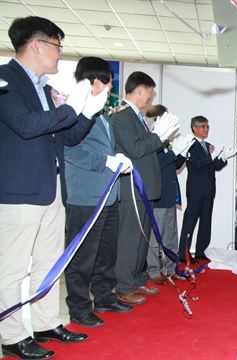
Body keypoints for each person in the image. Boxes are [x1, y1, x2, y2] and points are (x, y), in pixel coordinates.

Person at [0, 16, 107, 359]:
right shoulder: (5, 80)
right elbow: (27, 126)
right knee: (12, 268)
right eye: (57, 46)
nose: (60, 55)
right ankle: (11, 335)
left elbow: (67, 137)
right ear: (37, 44)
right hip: (19, 192)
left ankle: (46, 323)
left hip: (50, 188)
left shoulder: (45, 89)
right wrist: (73, 106)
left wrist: (87, 113)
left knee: (50, 264)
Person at [64, 57, 135, 328]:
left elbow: (104, 148)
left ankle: (104, 296)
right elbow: (71, 150)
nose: (109, 87)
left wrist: (117, 157)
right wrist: (104, 161)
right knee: (83, 256)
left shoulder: (103, 115)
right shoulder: (75, 111)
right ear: (94, 81)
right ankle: (79, 308)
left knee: (106, 252)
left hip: (109, 194)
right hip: (86, 195)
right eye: (107, 81)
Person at [112, 71, 180, 306]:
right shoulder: (122, 117)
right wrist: (159, 136)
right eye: (150, 92)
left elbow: (144, 148)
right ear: (140, 89)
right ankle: (123, 285)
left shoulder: (137, 117)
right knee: (131, 237)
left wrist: (159, 137)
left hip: (146, 187)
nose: (151, 97)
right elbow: (135, 149)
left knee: (142, 237)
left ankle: (137, 278)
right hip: (133, 187)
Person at [143, 105, 193, 284]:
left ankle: (171, 269)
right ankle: (154, 270)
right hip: (158, 195)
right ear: (157, 120)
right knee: (156, 238)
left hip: (170, 195)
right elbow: (155, 164)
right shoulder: (151, 141)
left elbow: (173, 165)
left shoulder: (164, 142)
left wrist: (182, 153)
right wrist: (173, 152)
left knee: (170, 236)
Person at [177, 116, 237, 263]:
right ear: (195, 128)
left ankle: (200, 252)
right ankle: (183, 254)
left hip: (209, 190)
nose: (206, 129)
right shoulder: (190, 145)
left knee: (206, 222)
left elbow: (215, 166)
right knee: (190, 222)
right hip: (196, 190)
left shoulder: (208, 145)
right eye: (203, 126)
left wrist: (223, 157)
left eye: (207, 126)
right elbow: (196, 164)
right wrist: (211, 157)